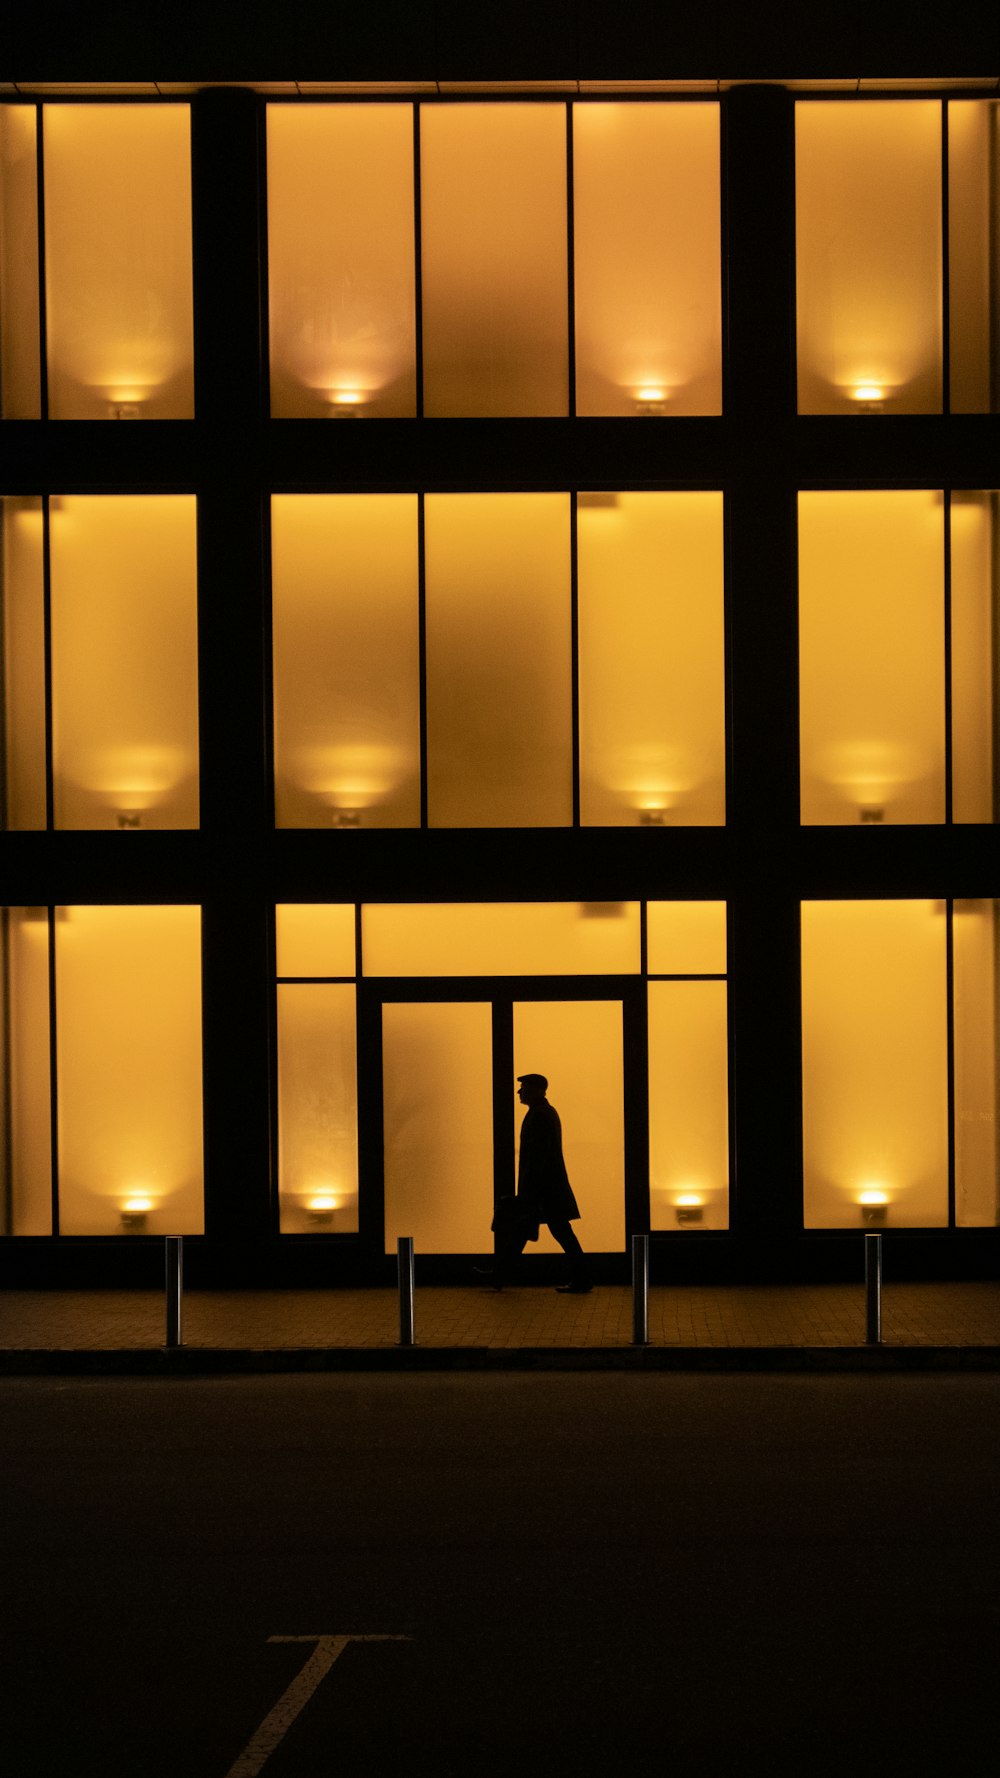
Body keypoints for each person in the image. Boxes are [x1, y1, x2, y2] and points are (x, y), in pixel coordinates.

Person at [476, 1073, 592, 1293]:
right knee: (549, 1232)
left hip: (542, 1190)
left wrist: (528, 1192)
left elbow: (537, 1158)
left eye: (524, 1087)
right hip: (548, 1189)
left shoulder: (538, 1116)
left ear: (537, 1090)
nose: (519, 1092)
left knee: (544, 1232)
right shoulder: (545, 1113)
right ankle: (499, 1276)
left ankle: (500, 1276)